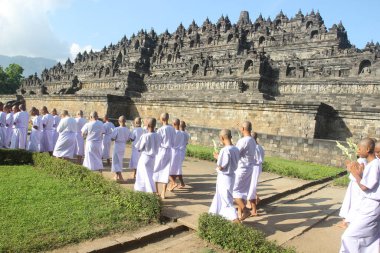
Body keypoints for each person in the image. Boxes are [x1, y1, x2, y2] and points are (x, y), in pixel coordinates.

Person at [340, 138, 380, 253]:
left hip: (371, 206)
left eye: (359, 148)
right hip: (368, 204)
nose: (357, 150)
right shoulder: (374, 164)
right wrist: (360, 173)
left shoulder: (375, 165)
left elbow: (364, 187)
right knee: (369, 238)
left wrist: (354, 173)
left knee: (349, 236)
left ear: (367, 149)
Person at [209, 129, 240, 223]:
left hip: (225, 177)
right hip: (231, 176)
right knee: (219, 196)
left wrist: (218, 159)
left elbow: (221, 166)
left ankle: (235, 219)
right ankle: (213, 215)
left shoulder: (225, 150)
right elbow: (229, 161)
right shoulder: (235, 149)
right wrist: (219, 157)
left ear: (222, 138)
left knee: (226, 200)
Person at [233, 121, 256, 220]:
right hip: (249, 169)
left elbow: (235, 154)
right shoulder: (252, 140)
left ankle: (245, 210)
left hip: (242, 169)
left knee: (234, 192)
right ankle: (239, 215)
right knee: (242, 192)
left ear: (243, 129)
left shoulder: (243, 141)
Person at [134, 117, 161, 193]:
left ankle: (145, 191)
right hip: (153, 158)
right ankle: (151, 190)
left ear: (148, 125)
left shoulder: (145, 136)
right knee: (150, 175)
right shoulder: (158, 136)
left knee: (142, 175)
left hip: (145, 157)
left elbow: (139, 148)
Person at [153, 112, 176, 199]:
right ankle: (163, 192)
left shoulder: (160, 130)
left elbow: (157, 142)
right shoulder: (172, 129)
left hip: (161, 150)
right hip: (169, 151)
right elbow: (174, 141)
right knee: (165, 171)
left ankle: (156, 191)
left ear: (162, 119)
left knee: (156, 169)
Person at [246, 132, 265, 216]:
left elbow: (252, 159)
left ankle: (254, 210)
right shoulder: (259, 147)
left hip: (255, 168)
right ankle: (255, 199)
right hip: (256, 167)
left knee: (251, 189)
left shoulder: (256, 148)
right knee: (251, 186)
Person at [110, 116, 131, 181]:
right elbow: (129, 139)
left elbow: (112, 138)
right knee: (119, 160)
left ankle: (120, 176)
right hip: (123, 146)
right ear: (125, 121)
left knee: (116, 161)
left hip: (117, 145)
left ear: (119, 121)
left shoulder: (117, 129)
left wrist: (114, 136)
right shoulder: (127, 130)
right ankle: (116, 175)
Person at [168, 118, 185, 191]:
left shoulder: (173, 133)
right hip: (179, 152)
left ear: (174, 124)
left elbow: (169, 143)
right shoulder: (182, 133)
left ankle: (173, 182)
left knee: (168, 170)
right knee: (176, 169)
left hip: (173, 152)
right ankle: (173, 184)